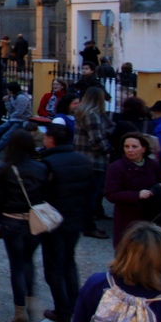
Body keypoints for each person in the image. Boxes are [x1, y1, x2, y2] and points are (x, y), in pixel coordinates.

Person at [0, 130, 47, 322]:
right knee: (28, 261)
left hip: (11, 220)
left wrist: (1, 222)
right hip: (34, 221)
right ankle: (30, 298)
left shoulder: (5, 169)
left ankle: (19, 309)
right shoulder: (41, 168)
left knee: (16, 264)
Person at [39, 124, 90, 322]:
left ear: (51, 139)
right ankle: (74, 303)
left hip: (54, 222)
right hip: (75, 220)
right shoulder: (83, 161)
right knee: (69, 262)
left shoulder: (48, 163)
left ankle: (62, 309)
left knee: (54, 266)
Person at [104, 132, 161, 248]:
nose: (130, 150)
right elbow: (110, 194)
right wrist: (137, 195)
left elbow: (160, 181)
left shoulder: (152, 164)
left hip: (149, 216)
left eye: (134, 147)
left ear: (143, 149)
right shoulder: (116, 167)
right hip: (127, 218)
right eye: (126, 147)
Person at [74, 86, 113, 240]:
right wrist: (108, 151)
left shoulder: (83, 112)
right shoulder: (92, 115)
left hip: (83, 157)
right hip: (93, 159)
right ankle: (88, 226)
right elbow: (96, 140)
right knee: (91, 194)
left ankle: (90, 219)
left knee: (89, 193)